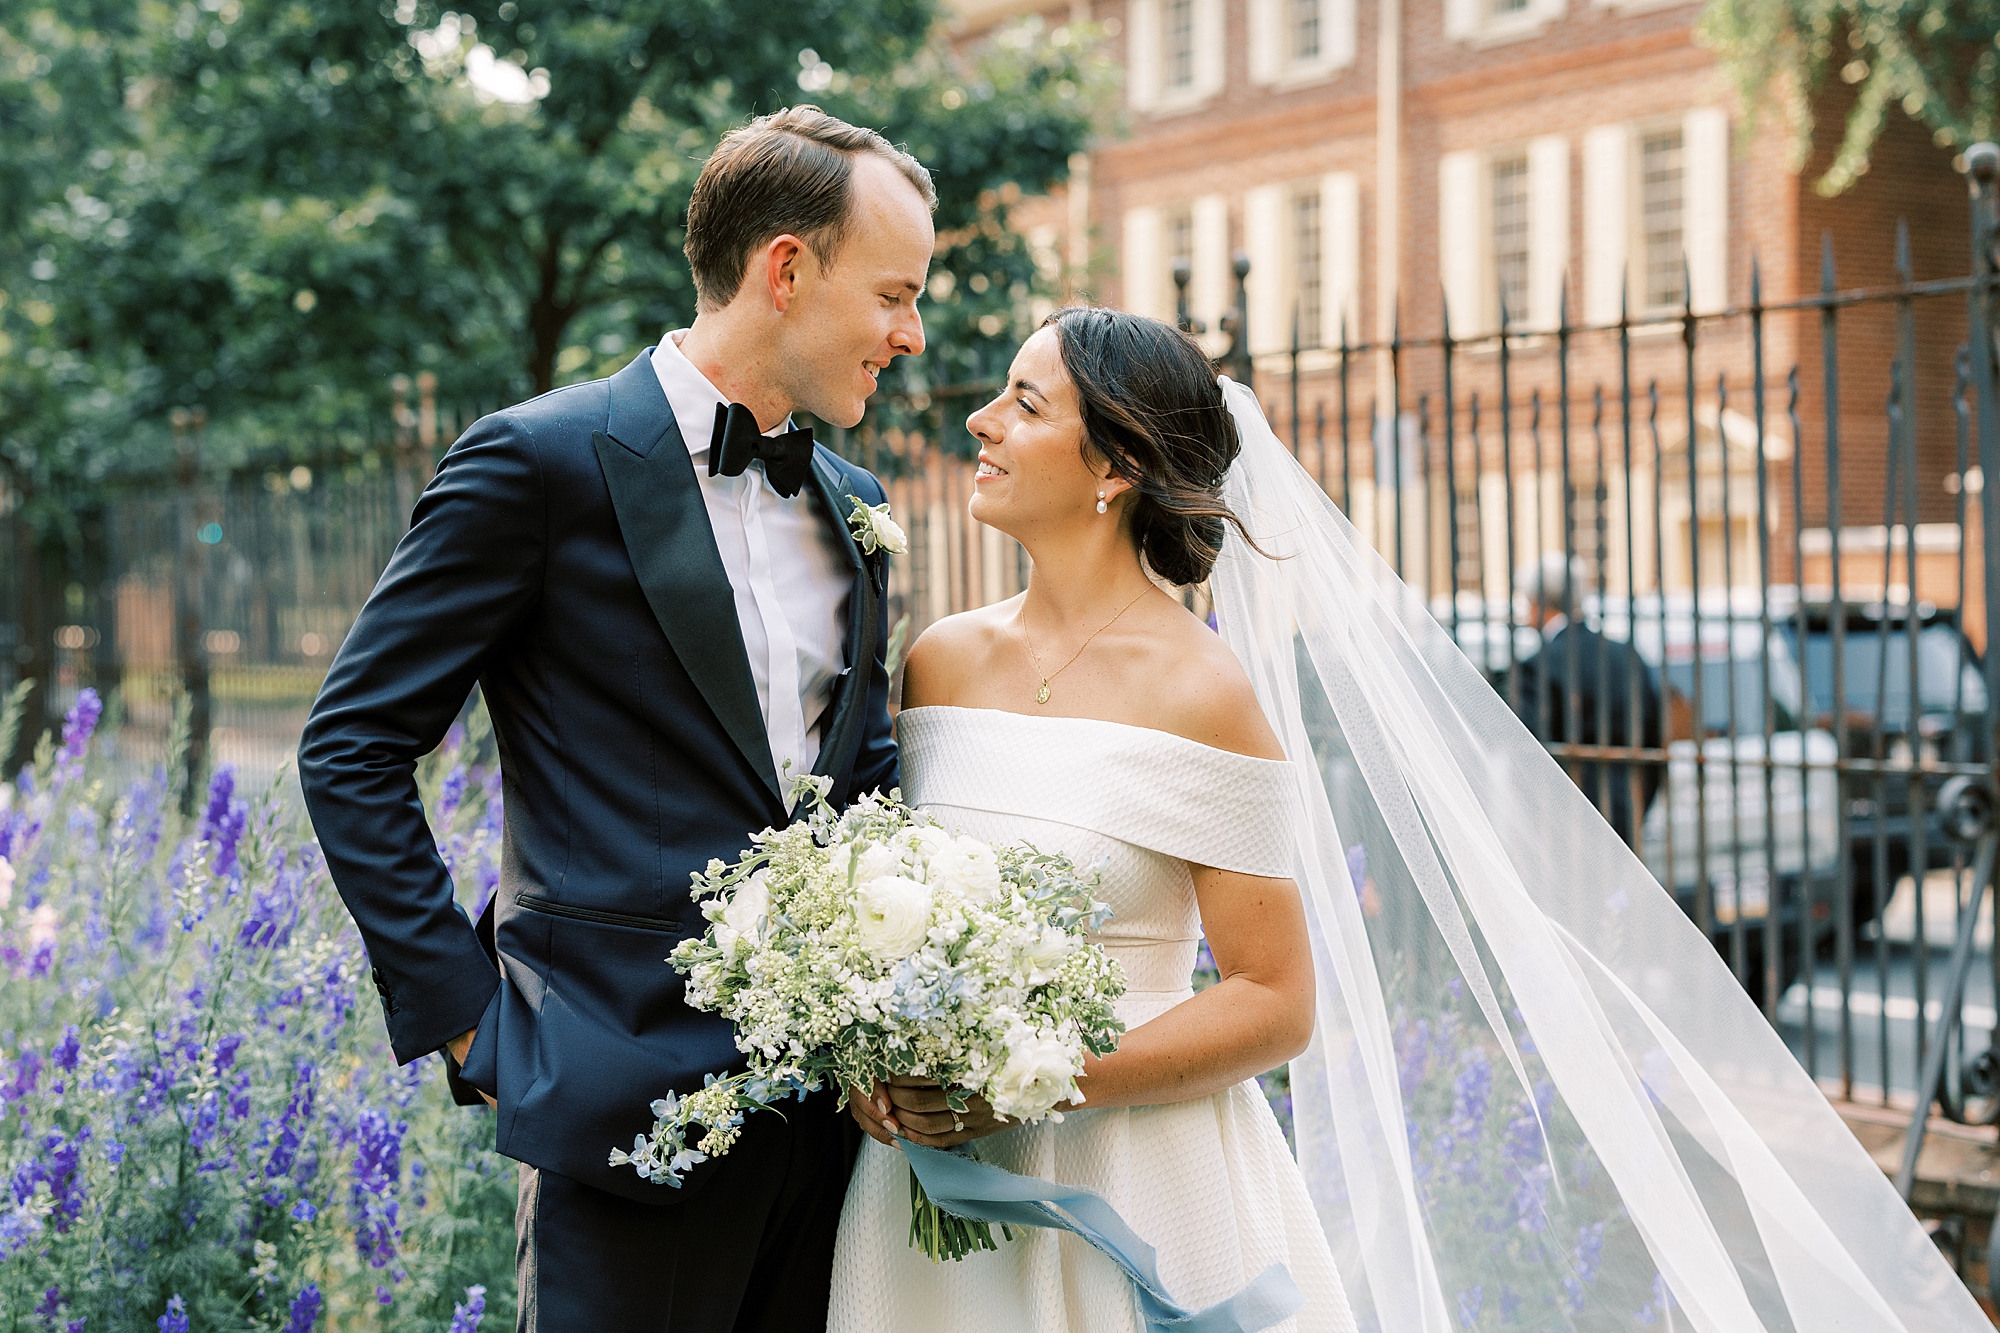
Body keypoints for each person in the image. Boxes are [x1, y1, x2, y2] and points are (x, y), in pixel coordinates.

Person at [827, 307, 1984, 1332]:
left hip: (1129, 1170)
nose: (978, 420)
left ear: (1114, 464)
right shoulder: (935, 663)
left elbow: (1274, 1000)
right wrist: (870, 1061)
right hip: (928, 1177)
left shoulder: (1202, 690)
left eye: (1022, 403)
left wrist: (1040, 1076)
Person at [298, 106, 931, 1330]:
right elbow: (351, 744)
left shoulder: (852, 503)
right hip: (614, 1104)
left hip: (828, 1134)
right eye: (895, 294)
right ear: (785, 270)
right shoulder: (538, 464)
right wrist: (470, 1024)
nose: (910, 335)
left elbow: (855, 776)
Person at [1509, 552, 1663, 845]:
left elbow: (1529, 756)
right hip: (1624, 812)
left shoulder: (1536, 667)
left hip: (1563, 823)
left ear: (1539, 604)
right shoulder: (1625, 655)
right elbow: (1653, 740)